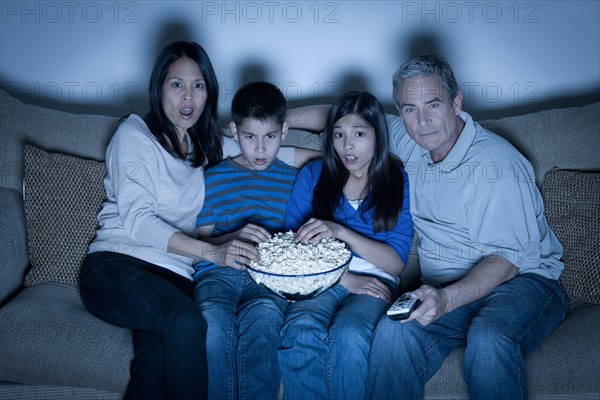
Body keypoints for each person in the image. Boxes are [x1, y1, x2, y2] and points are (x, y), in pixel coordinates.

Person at [78, 42, 314, 400]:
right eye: (177, 84)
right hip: (118, 266)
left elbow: (283, 147)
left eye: (198, 86)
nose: (188, 97)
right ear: (159, 88)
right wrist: (214, 253)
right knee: (187, 323)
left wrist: (282, 122)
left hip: (174, 278)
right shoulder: (134, 135)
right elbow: (139, 222)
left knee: (155, 362)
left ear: (209, 93)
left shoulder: (207, 145)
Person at [365, 54, 569, 399]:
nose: (423, 121)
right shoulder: (414, 143)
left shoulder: (496, 165)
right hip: (450, 285)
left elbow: (506, 261)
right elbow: (346, 114)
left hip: (524, 280)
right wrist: (278, 123)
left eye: (433, 104)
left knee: (489, 338)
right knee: (393, 333)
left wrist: (444, 299)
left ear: (456, 101)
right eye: (409, 109)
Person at [279, 91, 414, 400]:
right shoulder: (313, 175)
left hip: (376, 280)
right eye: (338, 134)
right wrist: (344, 278)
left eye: (359, 134)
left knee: (350, 334)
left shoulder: (396, 180)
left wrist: (340, 230)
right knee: (301, 328)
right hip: (321, 277)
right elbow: (291, 249)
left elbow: (395, 263)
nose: (347, 145)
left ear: (377, 136)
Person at [193, 81, 314, 400]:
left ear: (284, 132)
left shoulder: (294, 178)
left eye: (270, 137)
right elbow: (202, 243)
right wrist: (236, 234)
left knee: (264, 319)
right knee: (213, 323)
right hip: (219, 271)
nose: (260, 150)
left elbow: (346, 152)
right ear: (233, 131)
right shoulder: (214, 176)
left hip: (267, 277)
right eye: (249, 137)